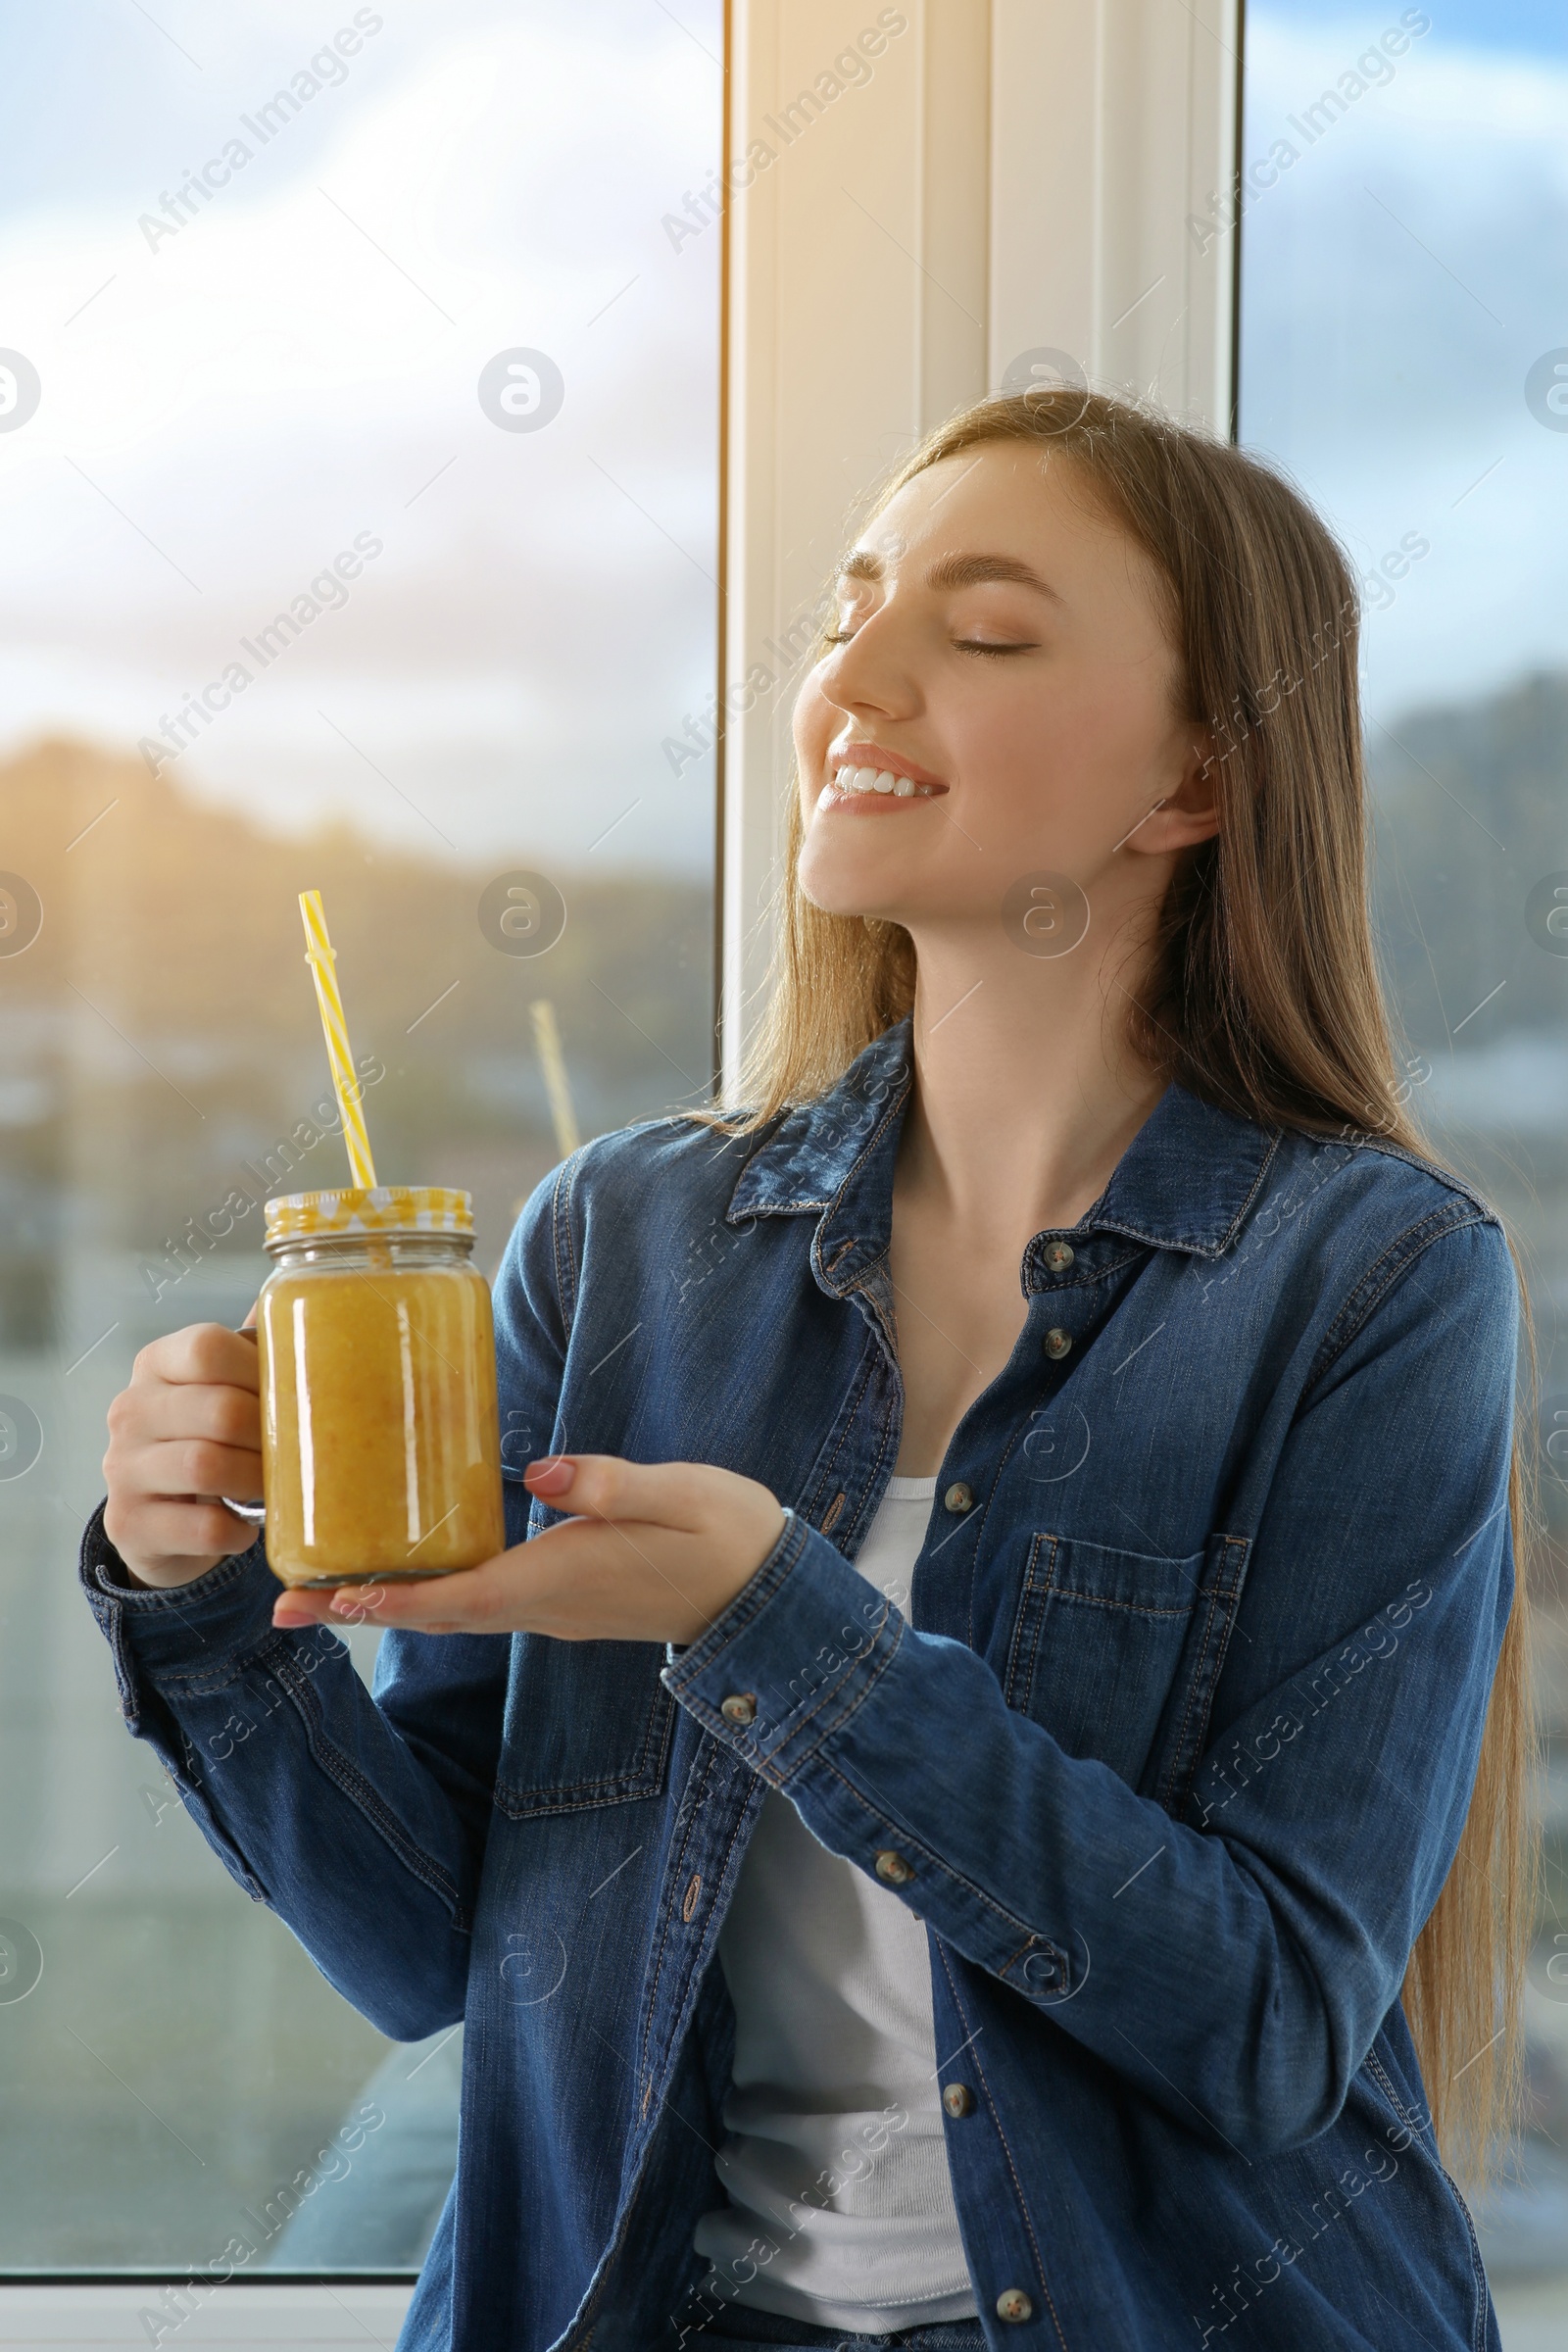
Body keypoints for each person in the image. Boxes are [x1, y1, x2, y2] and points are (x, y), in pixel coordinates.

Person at [84, 386, 1531, 2352]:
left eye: (984, 628)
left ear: (1189, 779)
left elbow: (1265, 2024)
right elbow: (432, 1945)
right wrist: (207, 1608)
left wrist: (778, 1625)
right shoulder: (617, 1242)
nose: (850, 674)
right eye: (853, 609)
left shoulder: (1373, 1285)